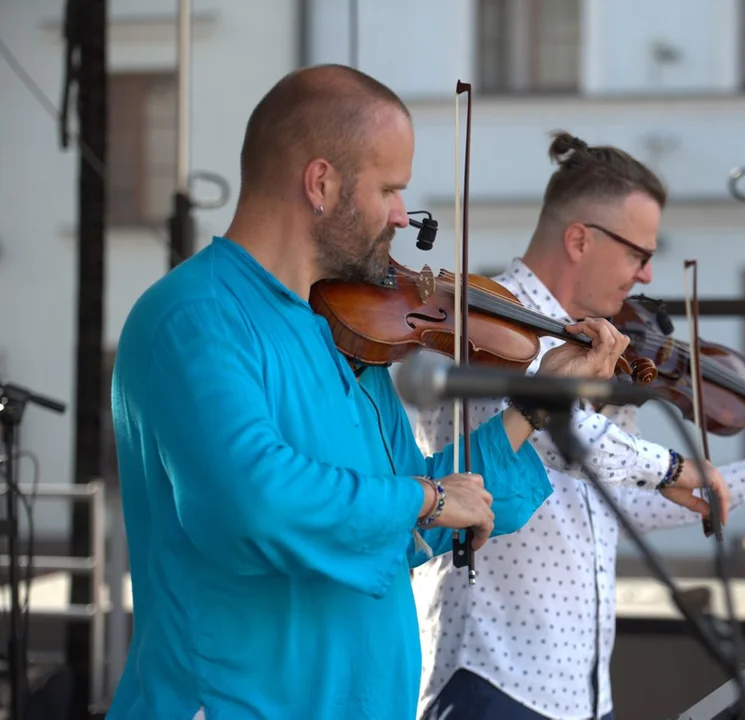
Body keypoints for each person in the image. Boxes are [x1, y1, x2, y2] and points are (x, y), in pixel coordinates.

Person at [105, 67, 631, 720]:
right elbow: (255, 502)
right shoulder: (194, 316)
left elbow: (403, 525)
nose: (402, 217)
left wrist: (534, 406)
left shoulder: (347, 339)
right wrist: (429, 497)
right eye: (388, 189)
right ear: (321, 184)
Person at [411, 132, 745, 720]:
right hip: (491, 674)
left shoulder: (598, 344)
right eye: (639, 253)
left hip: (581, 690)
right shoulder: (486, 321)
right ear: (581, 239)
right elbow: (566, 440)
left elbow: (614, 501)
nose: (645, 275)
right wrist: (672, 464)